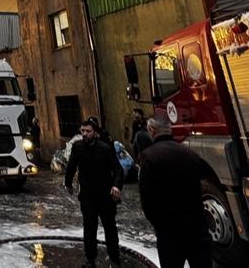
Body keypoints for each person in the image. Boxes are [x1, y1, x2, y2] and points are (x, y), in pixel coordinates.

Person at [137, 114, 211, 268]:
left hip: (169, 230)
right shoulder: (190, 153)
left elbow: (147, 199)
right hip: (196, 226)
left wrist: (159, 225)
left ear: (151, 130)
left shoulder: (149, 156)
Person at [65, 118, 124, 267]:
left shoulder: (105, 148)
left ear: (95, 133)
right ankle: (90, 259)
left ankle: (115, 259)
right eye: (82, 131)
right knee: (89, 229)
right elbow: (71, 166)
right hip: (87, 196)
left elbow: (118, 169)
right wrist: (68, 183)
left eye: (88, 131)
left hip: (105, 195)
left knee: (110, 228)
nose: (85, 134)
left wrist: (117, 186)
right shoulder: (77, 147)